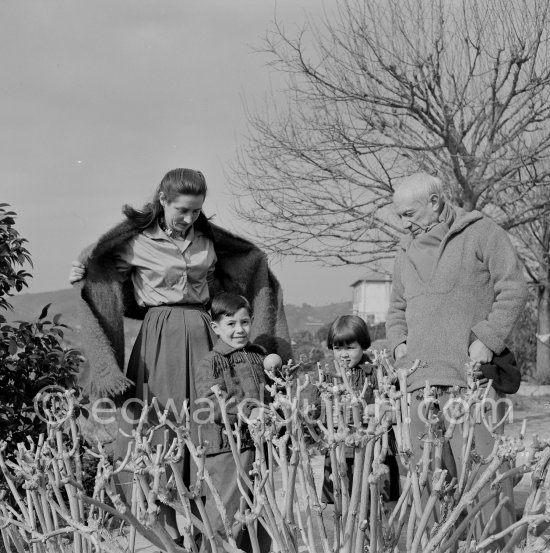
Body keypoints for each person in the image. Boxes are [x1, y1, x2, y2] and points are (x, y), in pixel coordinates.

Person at [69, 168, 291, 543]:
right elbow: (101, 264)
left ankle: (213, 527)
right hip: (159, 341)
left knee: (210, 423)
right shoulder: (136, 242)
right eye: (182, 210)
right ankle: (169, 532)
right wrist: (82, 263)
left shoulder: (207, 241)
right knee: (161, 428)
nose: (189, 219)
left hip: (205, 335)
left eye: (196, 211)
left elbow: (242, 263)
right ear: (163, 200)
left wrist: (257, 265)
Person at [386, 172, 529, 535]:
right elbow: (396, 309)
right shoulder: (403, 251)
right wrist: (400, 345)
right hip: (419, 387)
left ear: (435, 203)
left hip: (473, 383)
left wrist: (489, 338)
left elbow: (513, 288)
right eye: (399, 216)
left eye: (407, 214)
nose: (403, 223)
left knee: (488, 483)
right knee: (430, 490)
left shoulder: (482, 232)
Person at [194, 292, 271, 553]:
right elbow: (209, 402)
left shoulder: (258, 356)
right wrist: (247, 411)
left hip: (260, 445)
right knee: (226, 514)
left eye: (245, 322)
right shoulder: (211, 362)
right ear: (215, 327)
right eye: (231, 324)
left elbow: (268, 394)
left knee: (259, 511)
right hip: (227, 450)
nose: (240, 330)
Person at [317, 315, 400, 505]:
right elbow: (320, 409)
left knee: (375, 501)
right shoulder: (329, 376)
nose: (343, 354)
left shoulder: (375, 372)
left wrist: (378, 408)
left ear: (363, 345)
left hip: (374, 448)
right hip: (341, 451)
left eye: (350, 347)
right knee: (345, 501)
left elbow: (393, 406)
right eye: (338, 348)